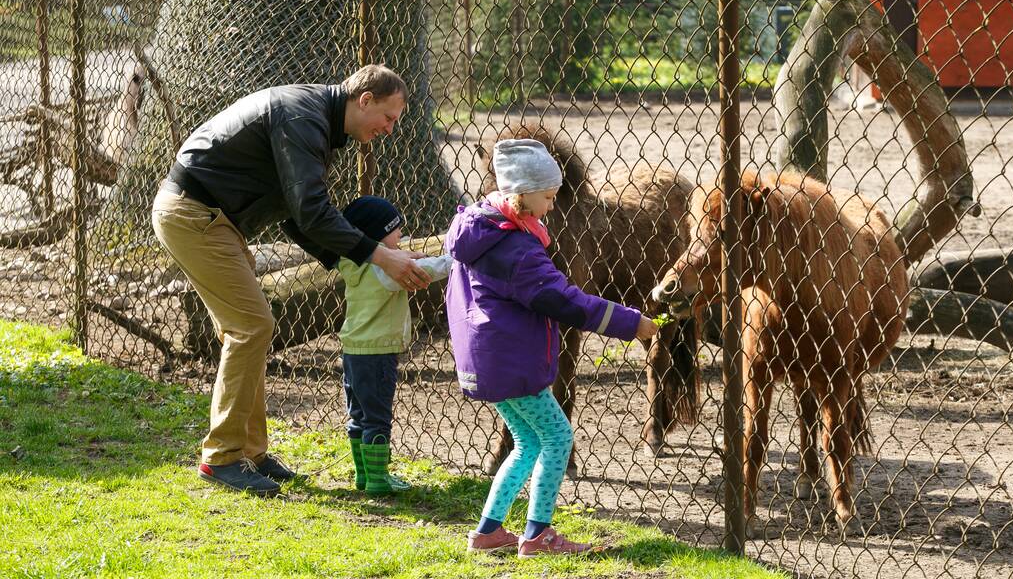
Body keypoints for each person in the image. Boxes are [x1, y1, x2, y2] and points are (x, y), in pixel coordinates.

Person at [151, 64, 433, 498]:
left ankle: (251, 452)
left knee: (247, 330)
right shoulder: (306, 118)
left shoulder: (315, 119)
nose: (390, 129)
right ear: (365, 101)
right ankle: (221, 458)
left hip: (213, 220)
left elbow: (294, 216)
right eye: (389, 118)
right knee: (252, 327)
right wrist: (381, 256)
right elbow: (310, 211)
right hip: (196, 216)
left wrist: (354, 263)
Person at [444, 138, 660, 557]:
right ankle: (538, 535)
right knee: (558, 437)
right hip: (516, 363)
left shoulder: (479, 233)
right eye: (547, 197)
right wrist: (632, 323)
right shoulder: (519, 250)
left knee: (527, 443)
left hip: (489, 362)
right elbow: (565, 299)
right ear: (521, 194)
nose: (553, 206)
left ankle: (489, 532)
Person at [332, 196, 450, 496]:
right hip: (377, 353)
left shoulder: (354, 262)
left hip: (353, 351)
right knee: (378, 419)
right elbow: (425, 272)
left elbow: (394, 255)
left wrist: (400, 251)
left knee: (359, 416)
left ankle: (364, 475)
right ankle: (379, 478)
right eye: (396, 230)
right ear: (376, 235)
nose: (402, 235)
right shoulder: (384, 271)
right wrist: (454, 260)